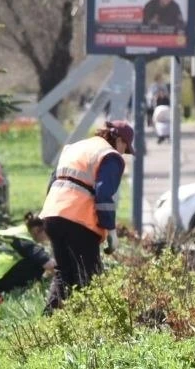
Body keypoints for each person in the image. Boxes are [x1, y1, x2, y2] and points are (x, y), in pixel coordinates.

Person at [40, 121, 133, 311]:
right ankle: (90, 327)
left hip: (53, 215)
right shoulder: (110, 156)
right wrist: (111, 231)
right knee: (89, 276)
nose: (124, 153)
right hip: (78, 220)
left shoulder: (74, 148)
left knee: (63, 274)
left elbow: (52, 183)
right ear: (120, 140)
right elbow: (104, 195)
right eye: (126, 147)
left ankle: (49, 322)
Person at [0, 213, 56, 296]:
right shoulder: (25, 240)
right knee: (38, 264)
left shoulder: (17, 232)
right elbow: (50, 265)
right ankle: (11, 292)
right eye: (49, 232)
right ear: (36, 230)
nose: (49, 237)